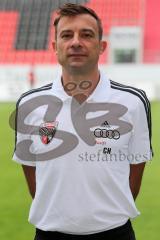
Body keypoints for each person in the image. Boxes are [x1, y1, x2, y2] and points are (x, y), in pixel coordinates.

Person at [13, 3, 153, 240]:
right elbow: (31, 170)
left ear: (101, 46)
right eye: (67, 35)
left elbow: (136, 168)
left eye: (86, 34)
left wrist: (106, 216)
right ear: (55, 46)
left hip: (115, 233)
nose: (76, 42)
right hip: (50, 234)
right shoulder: (29, 104)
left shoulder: (133, 102)